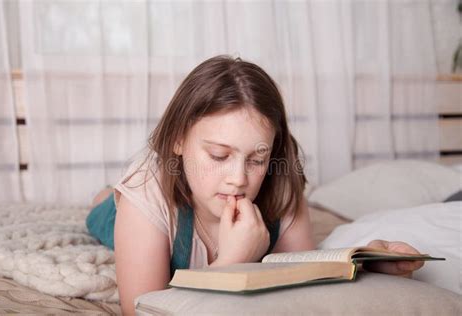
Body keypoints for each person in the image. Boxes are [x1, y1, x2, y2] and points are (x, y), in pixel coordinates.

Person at [86, 55, 424, 315]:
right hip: (137, 212)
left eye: (257, 159)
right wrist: (233, 260)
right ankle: (106, 197)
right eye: (219, 155)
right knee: (105, 214)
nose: (238, 178)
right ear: (177, 139)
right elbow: (141, 309)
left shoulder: (281, 188)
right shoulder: (146, 193)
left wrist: (369, 266)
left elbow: (305, 280)